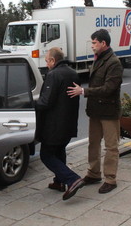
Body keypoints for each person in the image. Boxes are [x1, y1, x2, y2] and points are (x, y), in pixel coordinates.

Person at [67, 29, 123, 194]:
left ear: (103, 43)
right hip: (96, 111)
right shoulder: (99, 59)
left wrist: (84, 91)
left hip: (109, 112)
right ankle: (93, 173)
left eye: (94, 43)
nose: (92, 46)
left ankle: (110, 179)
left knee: (111, 147)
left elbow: (109, 89)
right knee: (93, 144)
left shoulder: (114, 63)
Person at [35, 47, 84, 201]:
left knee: (46, 155)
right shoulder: (73, 73)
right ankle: (59, 182)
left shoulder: (53, 75)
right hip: (68, 123)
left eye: (47, 61)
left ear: (53, 60)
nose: (47, 64)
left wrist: (28, 103)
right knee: (59, 151)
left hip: (54, 126)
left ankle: (72, 179)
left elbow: (45, 102)